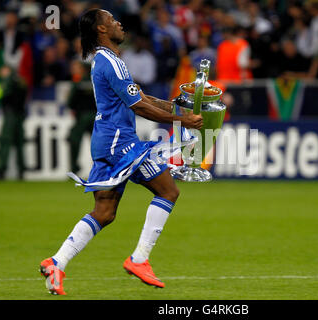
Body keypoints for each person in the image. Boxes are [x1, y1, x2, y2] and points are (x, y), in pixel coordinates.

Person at [39, 9, 203, 295]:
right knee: (168, 191)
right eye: (113, 20)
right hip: (120, 142)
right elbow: (138, 107)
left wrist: (177, 107)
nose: (119, 23)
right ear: (101, 30)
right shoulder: (109, 62)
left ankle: (57, 262)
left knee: (104, 212)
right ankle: (139, 259)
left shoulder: (110, 61)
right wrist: (182, 121)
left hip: (107, 140)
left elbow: (141, 97)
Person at [0, 65, 28, 180]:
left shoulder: (8, 81)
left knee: (5, 141)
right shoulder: (21, 81)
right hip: (20, 115)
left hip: (10, 115)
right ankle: (21, 170)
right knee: (19, 143)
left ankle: (1, 170)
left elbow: (2, 94)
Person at [67, 59, 96, 174]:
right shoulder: (96, 82)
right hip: (96, 117)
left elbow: (70, 102)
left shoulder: (78, 83)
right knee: (98, 145)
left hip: (82, 117)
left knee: (74, 141)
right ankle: (100, 169)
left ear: (83, 70)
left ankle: (74, 168)